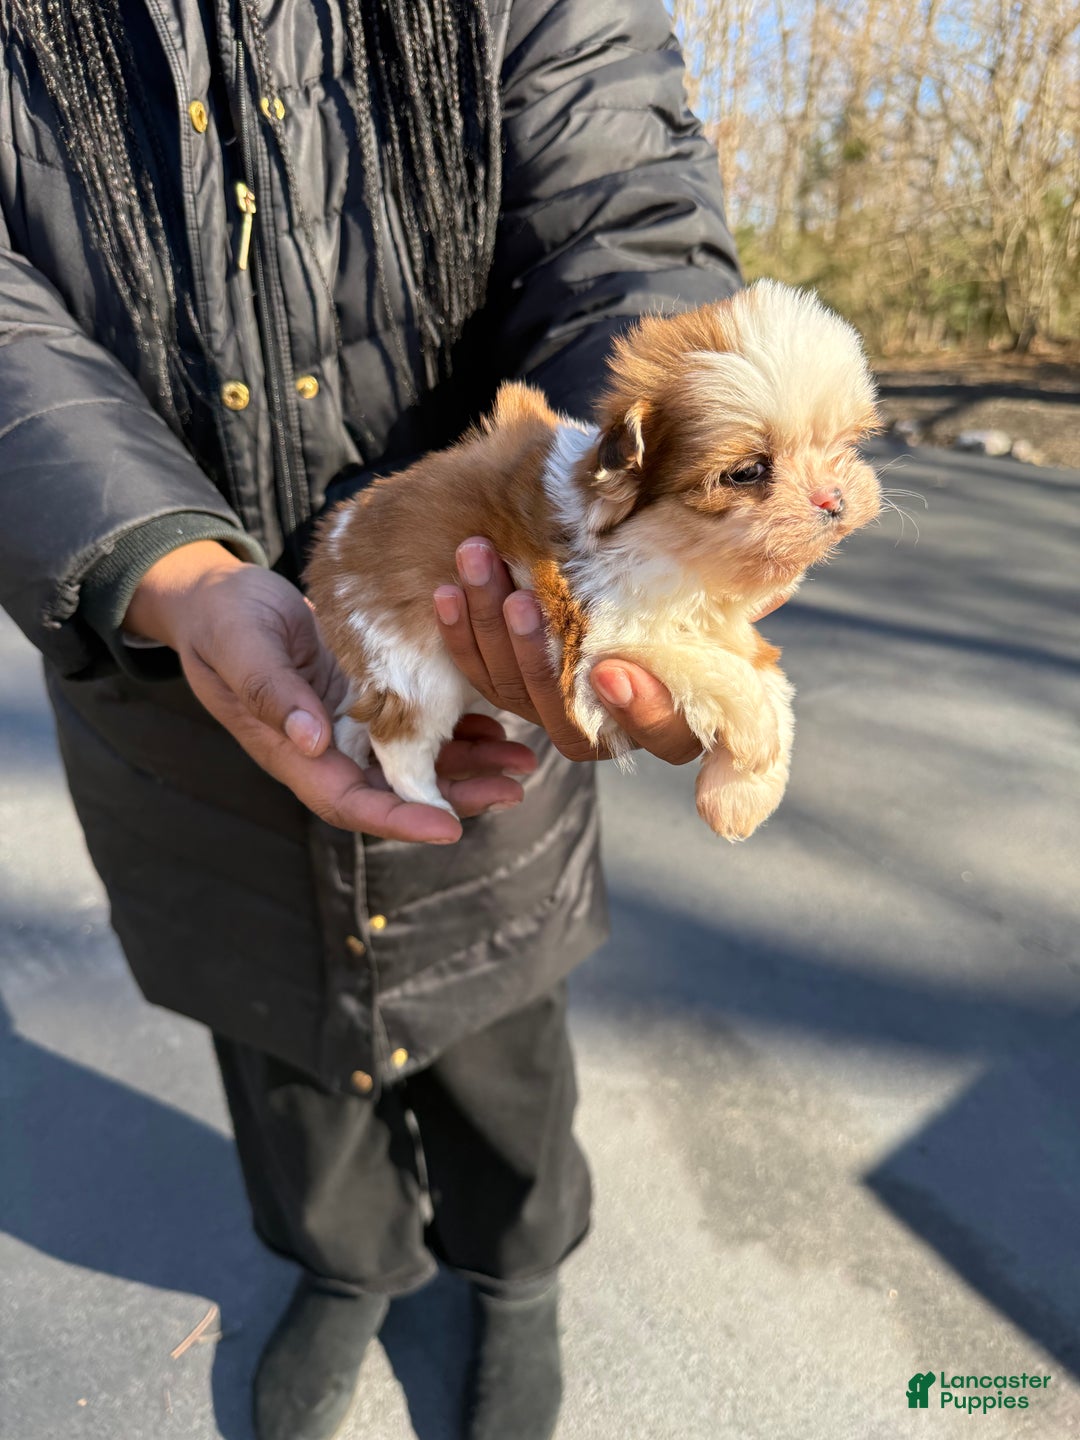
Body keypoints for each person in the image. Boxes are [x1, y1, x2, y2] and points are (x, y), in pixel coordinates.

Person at [0, 3, 740, 1437]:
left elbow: (622, 214)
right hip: (159, 657)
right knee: (269, 1023)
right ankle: (344, 1265)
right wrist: (161, 564)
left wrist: (614, 520)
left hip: (490, 633)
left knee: (501, 1007)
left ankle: (517, 1270)